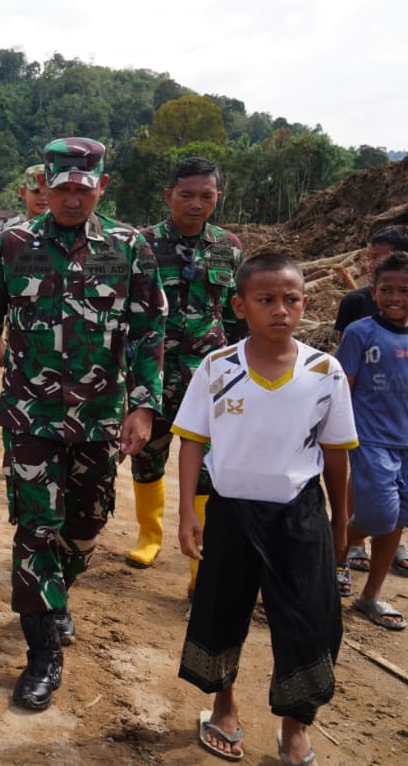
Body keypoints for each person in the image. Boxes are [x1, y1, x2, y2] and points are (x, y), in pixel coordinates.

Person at [0, 137, 166, 711]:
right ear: (43, 188)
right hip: (30, 413)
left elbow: (150, 329)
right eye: (61, 189)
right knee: (35, 528)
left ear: (102, 187)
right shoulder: (13, 244)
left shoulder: (128, 246)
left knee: (85, 526)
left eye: (83, 188)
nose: (72, 198)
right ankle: (43, 653)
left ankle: (56, 593)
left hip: (100, 416)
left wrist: (143, 404)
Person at [174, 252, 356, 765]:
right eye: (266, 299)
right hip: (231, 512)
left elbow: (337, 455)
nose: (280, 309)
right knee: (222, 609)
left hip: (300, 515)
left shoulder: (325, 371)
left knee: (308, 619)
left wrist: (339, 522)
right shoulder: (218, 367)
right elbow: (192, 442)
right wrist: (187, 512)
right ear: (240, 306)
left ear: (305, 304)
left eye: (291, 300)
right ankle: (224, 707)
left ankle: (295, 727)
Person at [126, 157, 243, 577]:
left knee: (209, 466)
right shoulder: (142, 244)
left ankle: (199, 559)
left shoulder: (228, 246)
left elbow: (235, 314)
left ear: (217, 197)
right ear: (168, 196)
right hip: (153, 372)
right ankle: (149, 535)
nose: (196, 204)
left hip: (208, 377)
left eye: (206, 196)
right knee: (147, 456)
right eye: (187, 195)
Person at [335, 250, 408, 629]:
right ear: (373, 291)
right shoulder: (360, 333)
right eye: (386, 290)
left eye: (405, 290)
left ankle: (371, 596)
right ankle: (331, 549)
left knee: (397, 519)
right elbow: (342, 387)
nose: (394, 298)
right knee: (379, 515)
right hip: (371, 440)